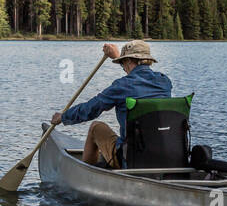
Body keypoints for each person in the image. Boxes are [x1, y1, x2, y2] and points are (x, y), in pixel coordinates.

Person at [51, 40, 172, 168]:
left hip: (131, 159)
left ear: (129, 61)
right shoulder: (164, 82)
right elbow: (139, 80)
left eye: (123, 62)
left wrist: (63, 117)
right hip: (164, 155)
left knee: (95, 127)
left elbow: (91, 109)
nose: (123, 67)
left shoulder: (121, 86)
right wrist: (120, 58)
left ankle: (86, 173)